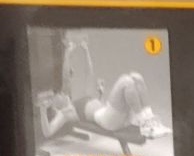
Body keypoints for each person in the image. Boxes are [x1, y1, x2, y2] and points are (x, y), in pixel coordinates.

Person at [36, 37, 171, 141]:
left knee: (136, 77)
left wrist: (86, 50)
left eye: (57, 93)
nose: (59, 94)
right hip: (108, 120)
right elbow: (48, 132)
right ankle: (145, 123)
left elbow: (89, 72)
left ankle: (149, 120)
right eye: (55, 96)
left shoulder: (82, 98)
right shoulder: (66, 112)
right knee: (125, 81)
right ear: (55, 105)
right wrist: (42, 110)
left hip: (113, 115)